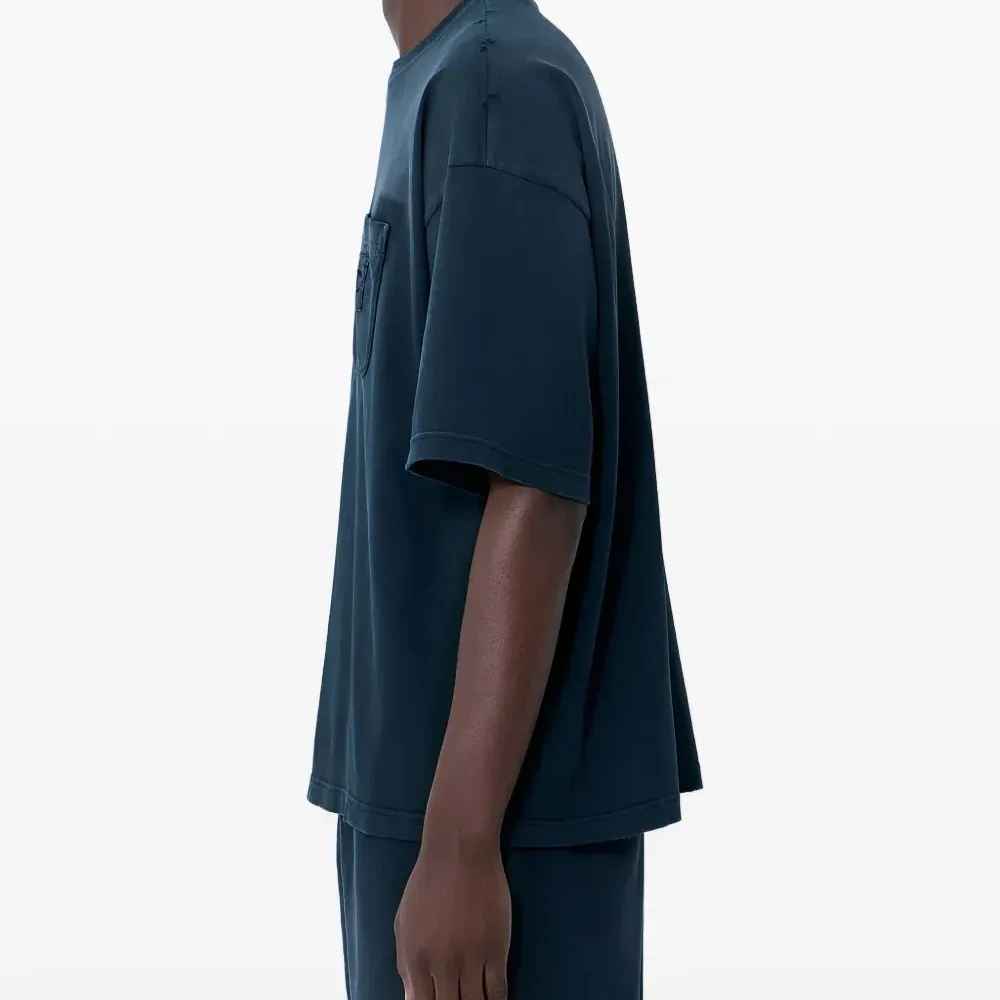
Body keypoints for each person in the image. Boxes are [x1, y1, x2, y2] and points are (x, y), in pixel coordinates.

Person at [307, 0, 703, 996]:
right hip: (422, 804)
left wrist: (458, 842)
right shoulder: (446, 77)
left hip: (494, 835)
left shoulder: (498, 86)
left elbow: (533, 473)